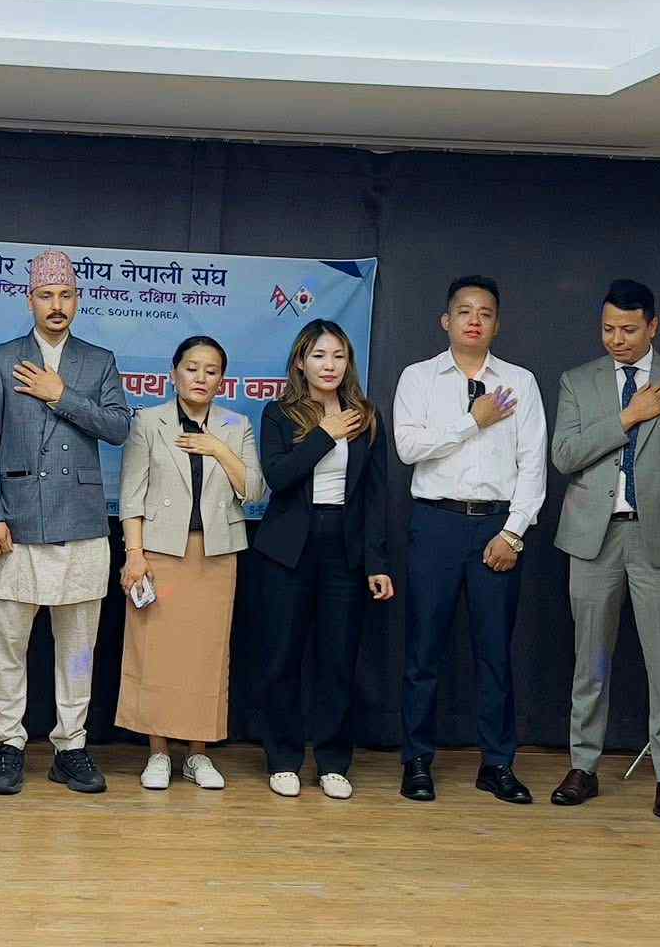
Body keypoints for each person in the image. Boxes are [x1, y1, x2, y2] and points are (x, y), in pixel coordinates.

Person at [550, 278, 660, 820]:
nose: (616, 340)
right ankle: (583, 765)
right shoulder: (578, 382)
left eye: (627, 329)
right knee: (589, 660)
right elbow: (565, 455)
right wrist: (628, 416)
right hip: (592, 539)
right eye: (607, 329)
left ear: (653, 327)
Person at [0, 250, 133, 796]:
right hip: (16, 523)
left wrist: (61, 395)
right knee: (7, 644)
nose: (56, 305)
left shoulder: (99, 361)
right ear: (30, 301)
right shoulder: (1, 360)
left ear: (78, 300)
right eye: (46, 296)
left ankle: (71, 746)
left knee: (78, 647)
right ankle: (8, 745)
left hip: (82, 522)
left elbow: (118, 428)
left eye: (65, 295)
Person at [393, 276, 548, 805]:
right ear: (447, 321)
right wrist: (471, 421)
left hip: (496, 526)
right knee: (423, 651)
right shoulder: (419, 377)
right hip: (434, 523)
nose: (474, 320)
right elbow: (408, 448)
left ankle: (497, 763)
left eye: (485, 312)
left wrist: (514, 532)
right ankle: (416, 760)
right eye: (464, 311)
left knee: (494, 652)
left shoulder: (520, 382)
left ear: (496, 324)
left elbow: (533, 464)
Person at [117, 336, 265, 791]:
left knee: (206, 656)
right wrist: (135, 554)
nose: (201, 377)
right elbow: (132, 495)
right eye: (192, 368)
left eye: (211, 370)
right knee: (156, 654)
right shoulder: (149, 421)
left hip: (216, 554)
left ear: (223, 380)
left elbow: (254, 491)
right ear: (174, 374)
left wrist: (218, 448)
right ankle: (159, 752)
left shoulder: (236, 424)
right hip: (160, 553)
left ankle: (198, 754)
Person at [254, 319, 394, 800]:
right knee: (282, 657)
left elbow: (376, 496)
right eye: (318, 356)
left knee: (338, 658)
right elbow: (277, 476)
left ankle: (333, 762)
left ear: (348, 362)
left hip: (345, 547)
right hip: (288, 547)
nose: (329, 365)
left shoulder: (366, 416)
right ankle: (283, 759)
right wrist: (324, 434)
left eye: (337, 355)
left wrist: (376, 562)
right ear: (301, 362)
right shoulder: (279, 414)